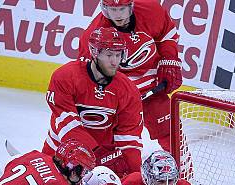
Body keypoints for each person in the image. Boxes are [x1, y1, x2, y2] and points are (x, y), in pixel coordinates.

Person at [78, 0, 182, 151]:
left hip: (152, 89)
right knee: (114, 149)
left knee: (170, 135)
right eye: (112, 10)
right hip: (120, 100)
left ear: (131, 6)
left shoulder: (150, 10)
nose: (118, 15)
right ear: (104, 9)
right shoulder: (94, 35)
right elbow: (88, 77)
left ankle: (184, 174)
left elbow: (166, 35)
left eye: (122, 9)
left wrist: (169, 59)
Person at [43, 26, 144, 178]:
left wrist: (134, 176)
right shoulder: (65, 77)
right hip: (60, 152)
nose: (114, 61)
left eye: (118, 55)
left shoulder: (128, 91)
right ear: (95, 53)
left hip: (104, 161)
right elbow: (68, 124)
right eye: (109, 55)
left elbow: (129, 138)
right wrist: (97, 154)